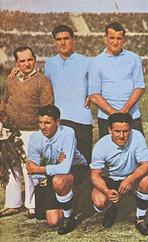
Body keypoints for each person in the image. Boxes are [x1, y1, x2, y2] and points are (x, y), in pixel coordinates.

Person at [0, 46, 54, 219]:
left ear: (35, 59)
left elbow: (47, 108)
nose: (26, 64)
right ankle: (12, 203)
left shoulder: (42, 81)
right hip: (10, 130)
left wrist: (42, 131)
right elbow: (6, 100)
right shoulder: (11, 79)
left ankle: (32, 204)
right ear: (16, 63)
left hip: (31, 131)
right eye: (22, 61)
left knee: (29, 168)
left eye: (29, 59)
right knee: (10, 166)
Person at [26, 105, 87, 235]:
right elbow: (33, 171)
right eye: (40, 122)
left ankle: (69, 217)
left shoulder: (67, 133)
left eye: (47, 123)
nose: (43, 127)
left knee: (59, 181)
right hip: (51, 174)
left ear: (58, 122)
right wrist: (42, 179)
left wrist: (39, 169)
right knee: (53, 221)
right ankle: (67, 200)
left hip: (76, 168)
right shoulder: (35, 138)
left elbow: (65, 168)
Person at [90, 113, 148, 236]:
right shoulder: (101, 145)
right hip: (110, 179)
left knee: (146, 181)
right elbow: (95, 175)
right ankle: (112, 208)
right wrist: (107, 192)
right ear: (109, 130)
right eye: (117, 131)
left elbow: (147, 165)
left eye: (125, 131)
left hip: (131, 177)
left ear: (130, 130)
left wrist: (130, 179)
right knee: (99, 202)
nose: (121, 136)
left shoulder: (137, 136)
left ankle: (140, 218)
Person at [44, 24, 93, 164]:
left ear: (73, 40)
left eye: (66, 38)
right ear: (54, 42)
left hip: (82, 119)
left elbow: (97, 86)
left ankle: (82, 186)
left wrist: (91, 95)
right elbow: (45, 88)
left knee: (83, 163)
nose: (63, 42)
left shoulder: (86, 62)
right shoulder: (50, 63)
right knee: (60, 162)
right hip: (59, 120)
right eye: (59, 39)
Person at [89, 22, 145, 138]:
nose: (115, 42)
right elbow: (94, 95)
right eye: (112, 38)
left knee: (135, 153)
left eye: (119, 38)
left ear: (124, 39)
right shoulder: (96, 62)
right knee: (109, 154)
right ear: (105, 38)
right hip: (107, 119)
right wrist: (114, 114)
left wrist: (124, 111)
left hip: (132, 117)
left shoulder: (134, 58)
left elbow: (139, 87)